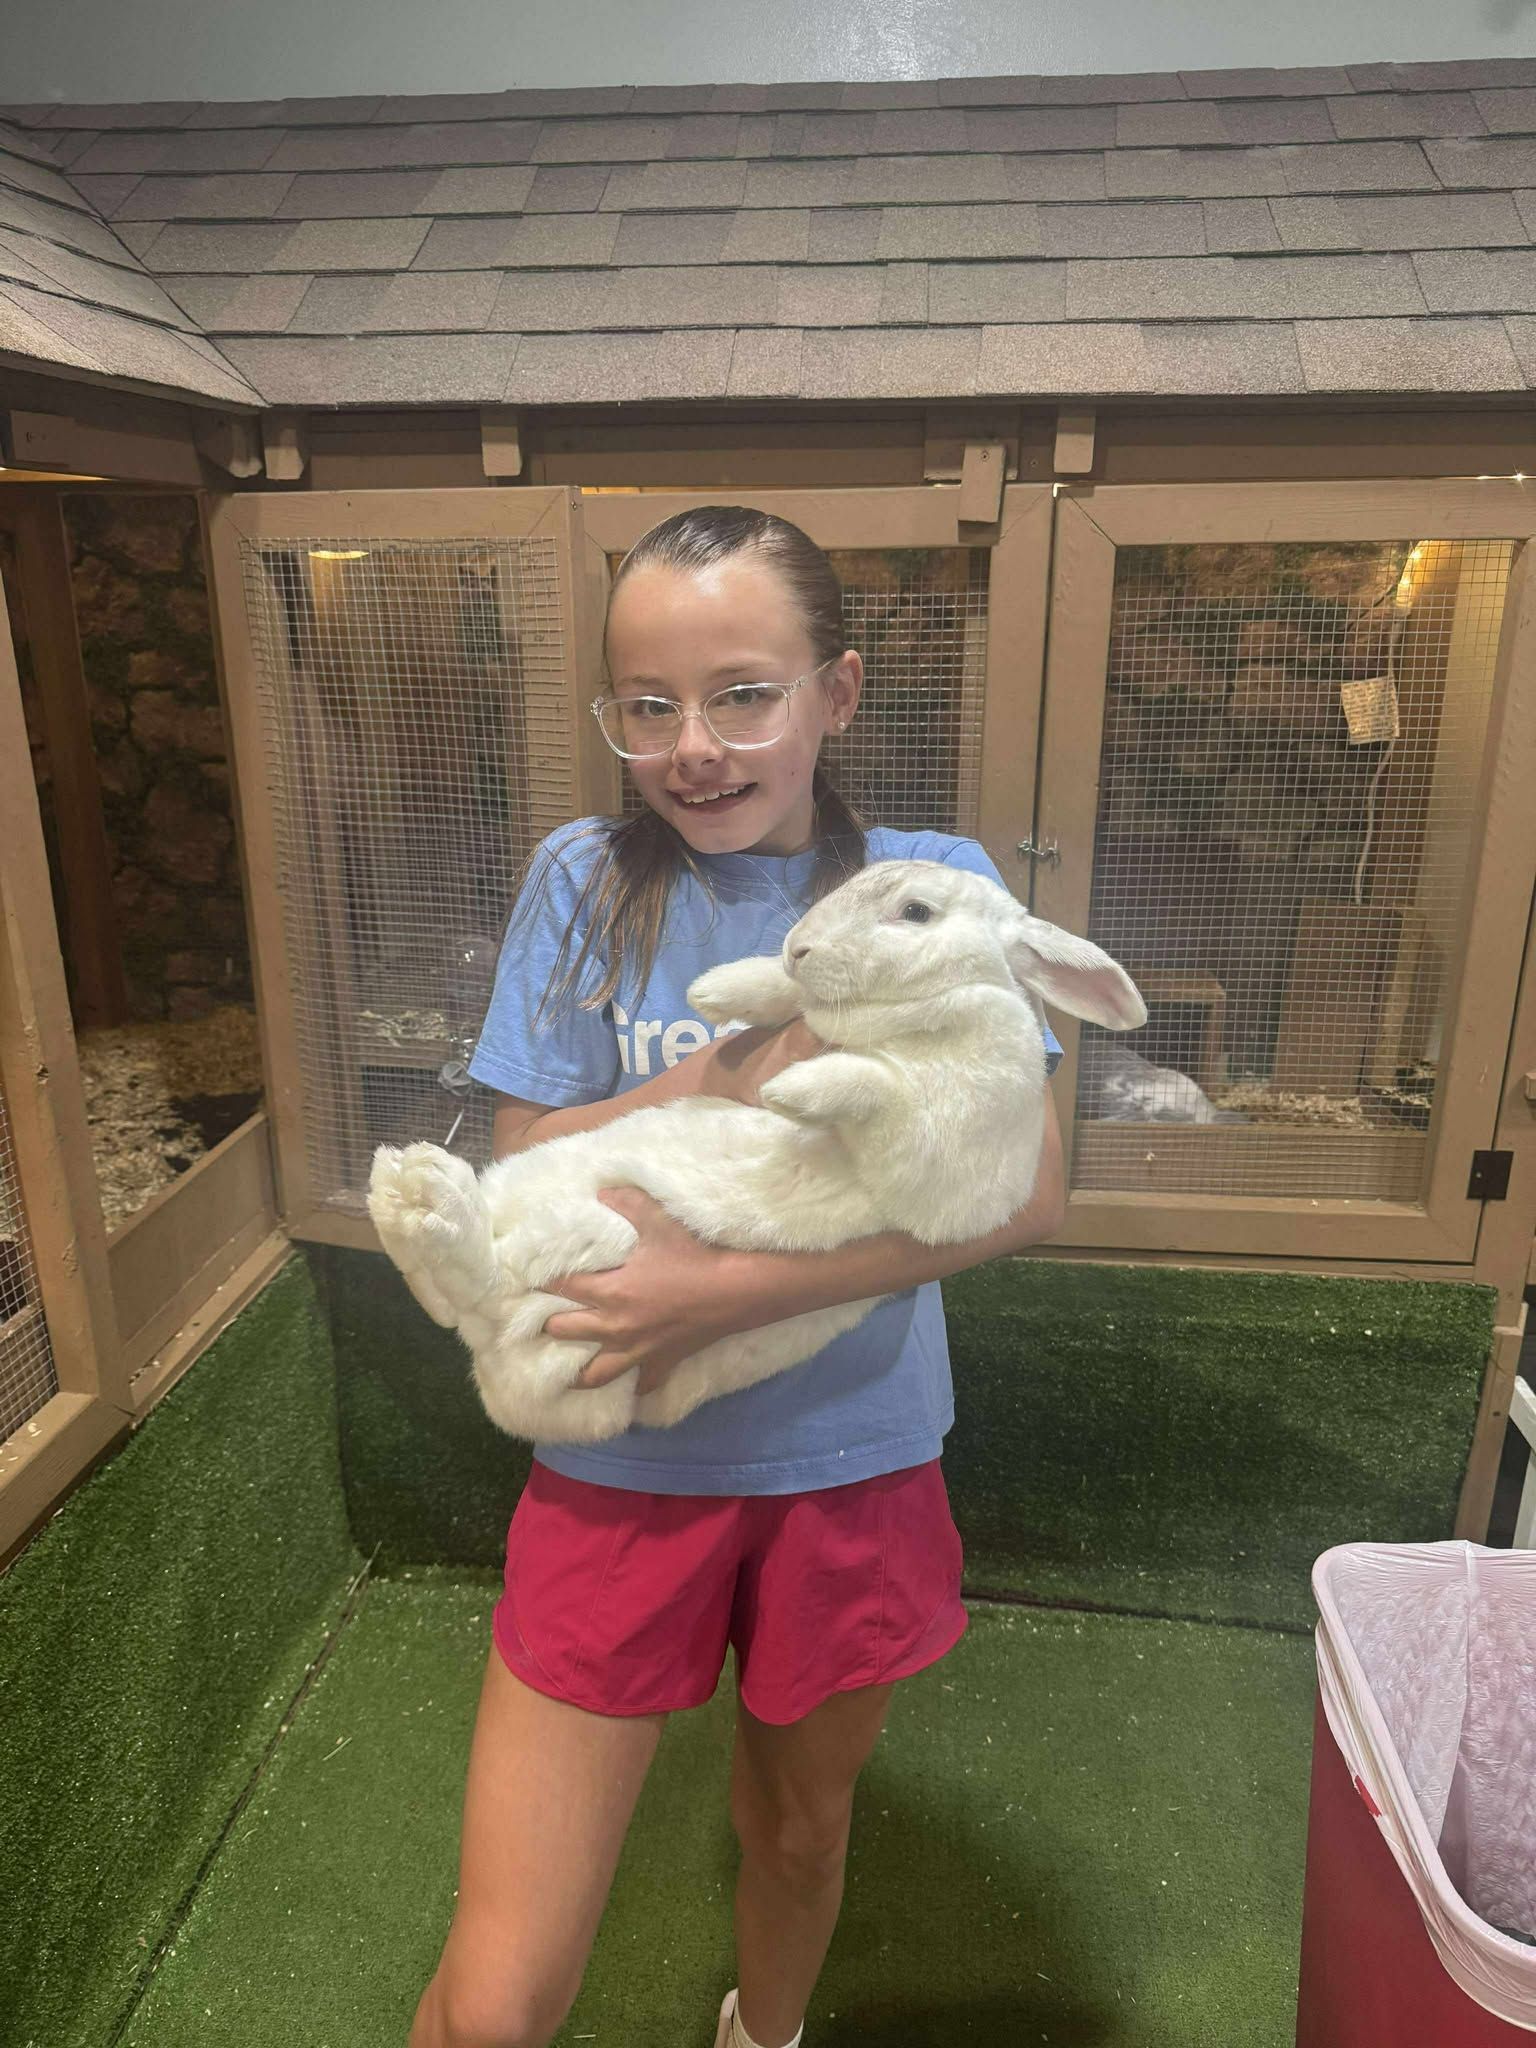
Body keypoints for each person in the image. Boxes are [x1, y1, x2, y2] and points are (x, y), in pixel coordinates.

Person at [408, 506, 1066, 2048]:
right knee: (495, 1999)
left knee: (800, 1834)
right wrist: (715, 1074)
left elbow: (1026, 1189)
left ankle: (760, 2035)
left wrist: (716, 1296)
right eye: (649, 706)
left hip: (852, 1465)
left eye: (741, 694)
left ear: (834, 695)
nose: (693, 746)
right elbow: (520, 1148)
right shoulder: (582, 878)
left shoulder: (929, 886)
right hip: (612, 1468)